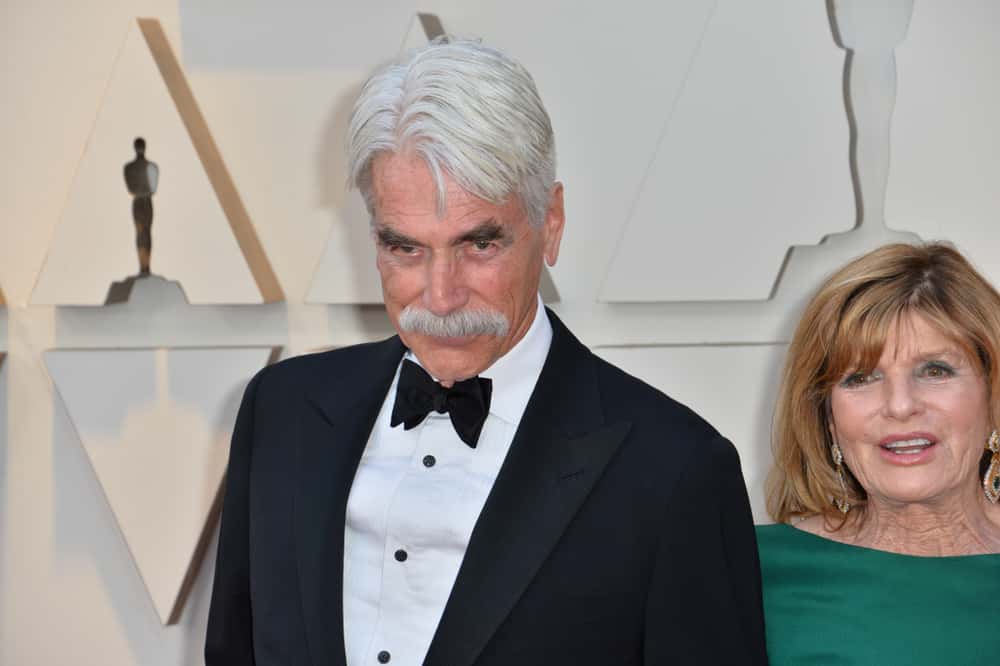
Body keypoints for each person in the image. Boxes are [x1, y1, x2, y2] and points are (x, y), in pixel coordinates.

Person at [205, 38, 766, 666]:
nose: (440, 297)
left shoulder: (675, 469)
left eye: (479, 245)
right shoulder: (281, 411)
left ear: (550, 222)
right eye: (405, 249)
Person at [758, 242, 1000, 665]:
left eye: (935, 370)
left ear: (993, 397)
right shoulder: (752, 572)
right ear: (828, 417)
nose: (901, 405)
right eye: (861, 377)